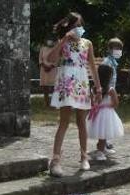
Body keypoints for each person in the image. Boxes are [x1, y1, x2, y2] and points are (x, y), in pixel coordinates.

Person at [46, 12, 102, 176]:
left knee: (81, 122)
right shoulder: (62, 42)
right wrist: (63, 40)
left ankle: (84, 156)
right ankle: (55, 159)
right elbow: (50, 58)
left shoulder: (87, 43)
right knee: (64, 121)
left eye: (80, 25)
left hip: (81, 83)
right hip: (66, 83)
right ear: (69, 27)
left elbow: (92, 66)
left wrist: (98, 88)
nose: (78, 28)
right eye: (75, 26)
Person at [92, 37, 124, 157]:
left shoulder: (113, 62)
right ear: (109, 49)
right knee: (104, 124)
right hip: (105, 93)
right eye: (116, 48)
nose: (119, 51)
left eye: (120, 48)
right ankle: (101, 146)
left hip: (110, 93)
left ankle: (104, 145)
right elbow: (103, 78)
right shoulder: (107, 62)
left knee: (107, 123)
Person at [87, 64, 124, 161]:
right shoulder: (111, 90)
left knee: (102, 132)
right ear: (109, 77)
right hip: (107, 113)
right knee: (103, 132)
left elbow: (91, 103)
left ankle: (102, 148)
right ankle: (100, 151)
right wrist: (108, 105)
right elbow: (116, 103)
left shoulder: (93, 89)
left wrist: (97, 106)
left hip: (97, 112)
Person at [38, 37, 59, 107]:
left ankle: (53, 103)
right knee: (45, 86)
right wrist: (44, 66)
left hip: (52, 70)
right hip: (43, 69)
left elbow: (57, 61)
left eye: (52, 40)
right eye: (49, 40)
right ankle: (46, 102)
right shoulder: (43, 48)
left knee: (53, 86)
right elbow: (40, 59)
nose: (50, 41)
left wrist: (50, 67)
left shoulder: (56, 49)